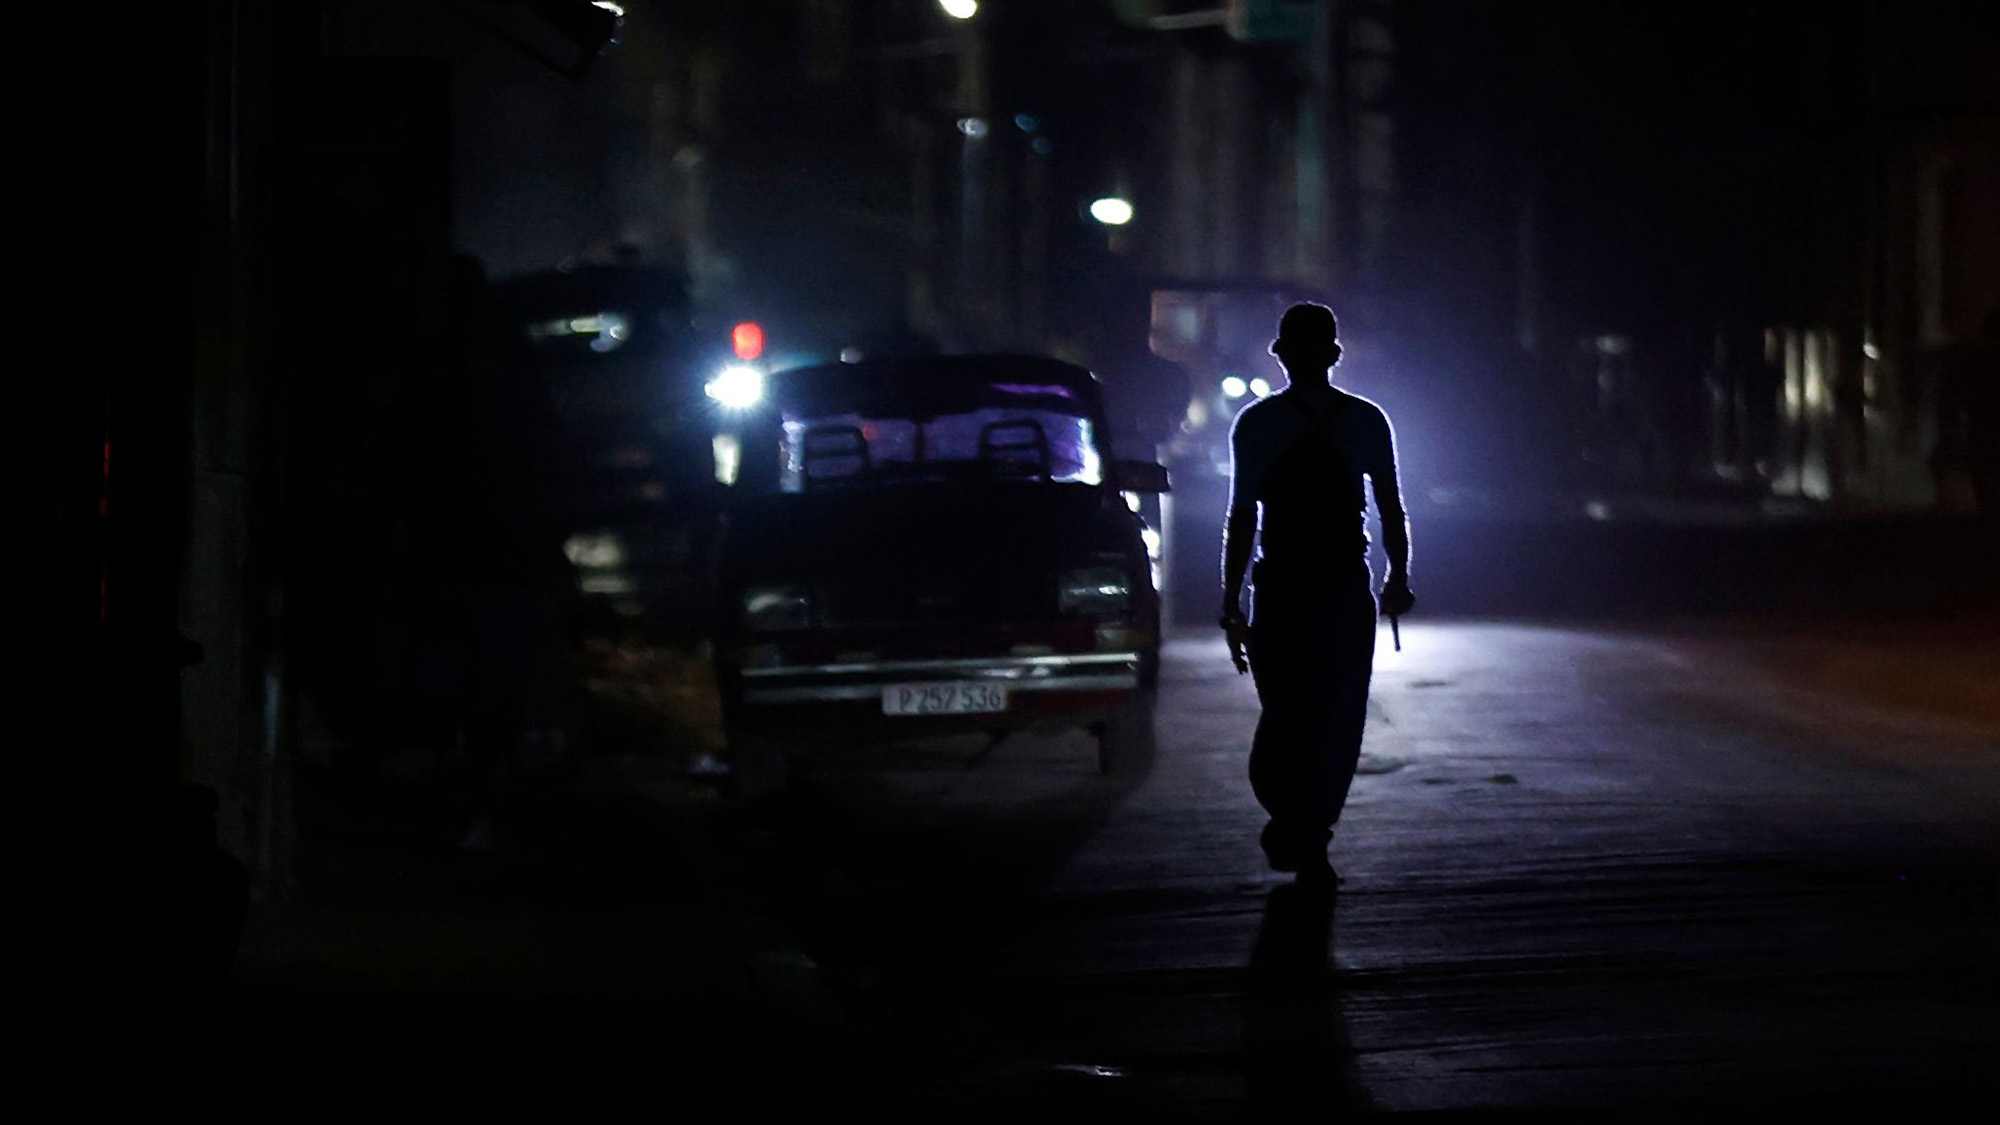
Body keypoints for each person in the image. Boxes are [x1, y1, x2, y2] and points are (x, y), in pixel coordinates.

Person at [1219, 303, 1414, 880]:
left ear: (1281, 357)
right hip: (1340, 589)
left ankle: (1296, 823)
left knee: (1286, 713)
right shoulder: (1366, 420)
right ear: (1334, 355)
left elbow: (1241, 519)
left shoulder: (1256, 425)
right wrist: (1397, 576)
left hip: (1282, 588)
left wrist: (1231, 601)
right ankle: (1310, 830)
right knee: (1335, 715)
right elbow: (1390, 510)